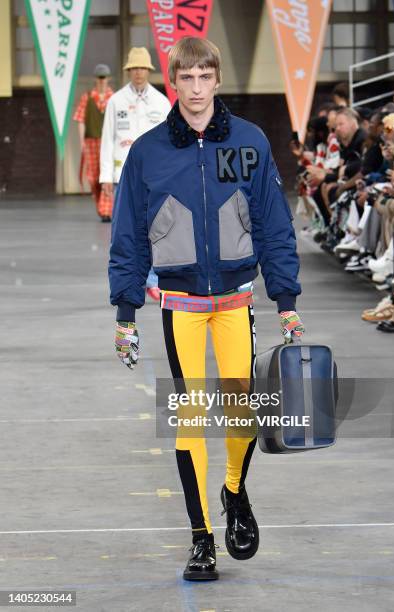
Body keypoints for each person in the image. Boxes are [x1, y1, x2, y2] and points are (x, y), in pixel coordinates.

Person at [109, 37, 304, 581]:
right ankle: (201, 538)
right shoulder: (148, 152)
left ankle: (235, 493)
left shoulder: (249, 142)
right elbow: (128, 235)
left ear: (217, 79)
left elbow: (273, 226)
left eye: (204, 77)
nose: (195, 89)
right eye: (186, 78)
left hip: (237, 301)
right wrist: (126, 315)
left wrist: (285, 301)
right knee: (191, 417)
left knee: (241, 412)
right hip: (183, 306)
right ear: (174, 81)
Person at [100, 47, 171, 299]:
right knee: (125, 231)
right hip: (122, 175)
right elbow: (107, 139)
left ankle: (152, 279)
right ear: (128, 71)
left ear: (149, 71)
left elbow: (169, 142)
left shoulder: (161, 102)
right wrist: (105, 177)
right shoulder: (116, 101)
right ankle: (130, 278)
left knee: (156, 228)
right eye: (134, 68)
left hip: (155, 176)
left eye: (142, 68)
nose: (138, 73)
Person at [73, 63, 114, 222]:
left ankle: (106, 210)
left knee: (106, 174)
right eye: (100, 78)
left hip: (108, 141)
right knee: (93, 177)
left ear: (108, 79)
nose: (102, 80)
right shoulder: (87, 97)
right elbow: (81, 119)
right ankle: (101, 206)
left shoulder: (114, 97)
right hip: (91, 141)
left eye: (104, 78)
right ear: (95, 79)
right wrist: (82, 140)